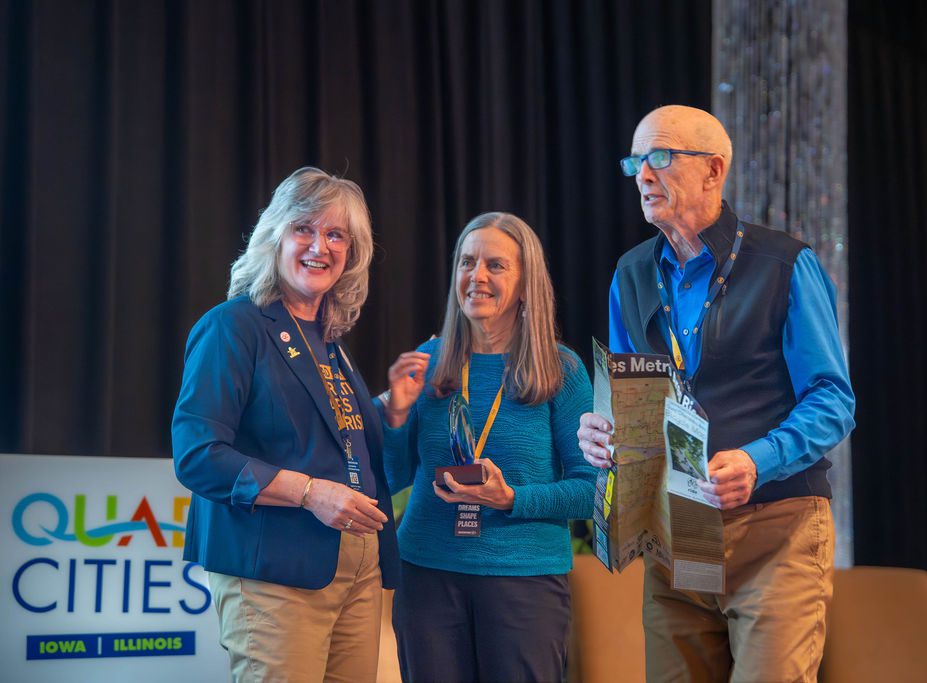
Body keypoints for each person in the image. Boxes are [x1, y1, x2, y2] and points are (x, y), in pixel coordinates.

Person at [577, 106, 856, 682]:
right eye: (635, 161)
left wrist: (757, 460)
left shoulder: (785, 264)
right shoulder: (630, 274)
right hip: (676, 535)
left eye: (660, 157)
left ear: (713, 170)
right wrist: (604, 431)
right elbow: (633, 397)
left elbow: (833, 399)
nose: (643, 175)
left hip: (776, 530)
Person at [171, 166, 398, 682]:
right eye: (304, 229)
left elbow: (327, 442)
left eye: (336, 235)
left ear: (352, 253)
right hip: (274, 567)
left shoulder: (330, 340)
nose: (320, 246)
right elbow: (197, 454)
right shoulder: (234, 325)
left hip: (355, 566)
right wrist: (310, 492)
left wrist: (390, 410)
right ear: (274, 236)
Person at [381, 212, 595, 683]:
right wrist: (395, 416)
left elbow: (592, 490)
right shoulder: (429, 362)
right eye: (467, 262)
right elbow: (390, 479)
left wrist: (511, 498)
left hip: (525, 582)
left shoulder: (560, 369)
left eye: (495, 265)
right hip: (427, 576)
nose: (476, 276)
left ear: (526, 285)